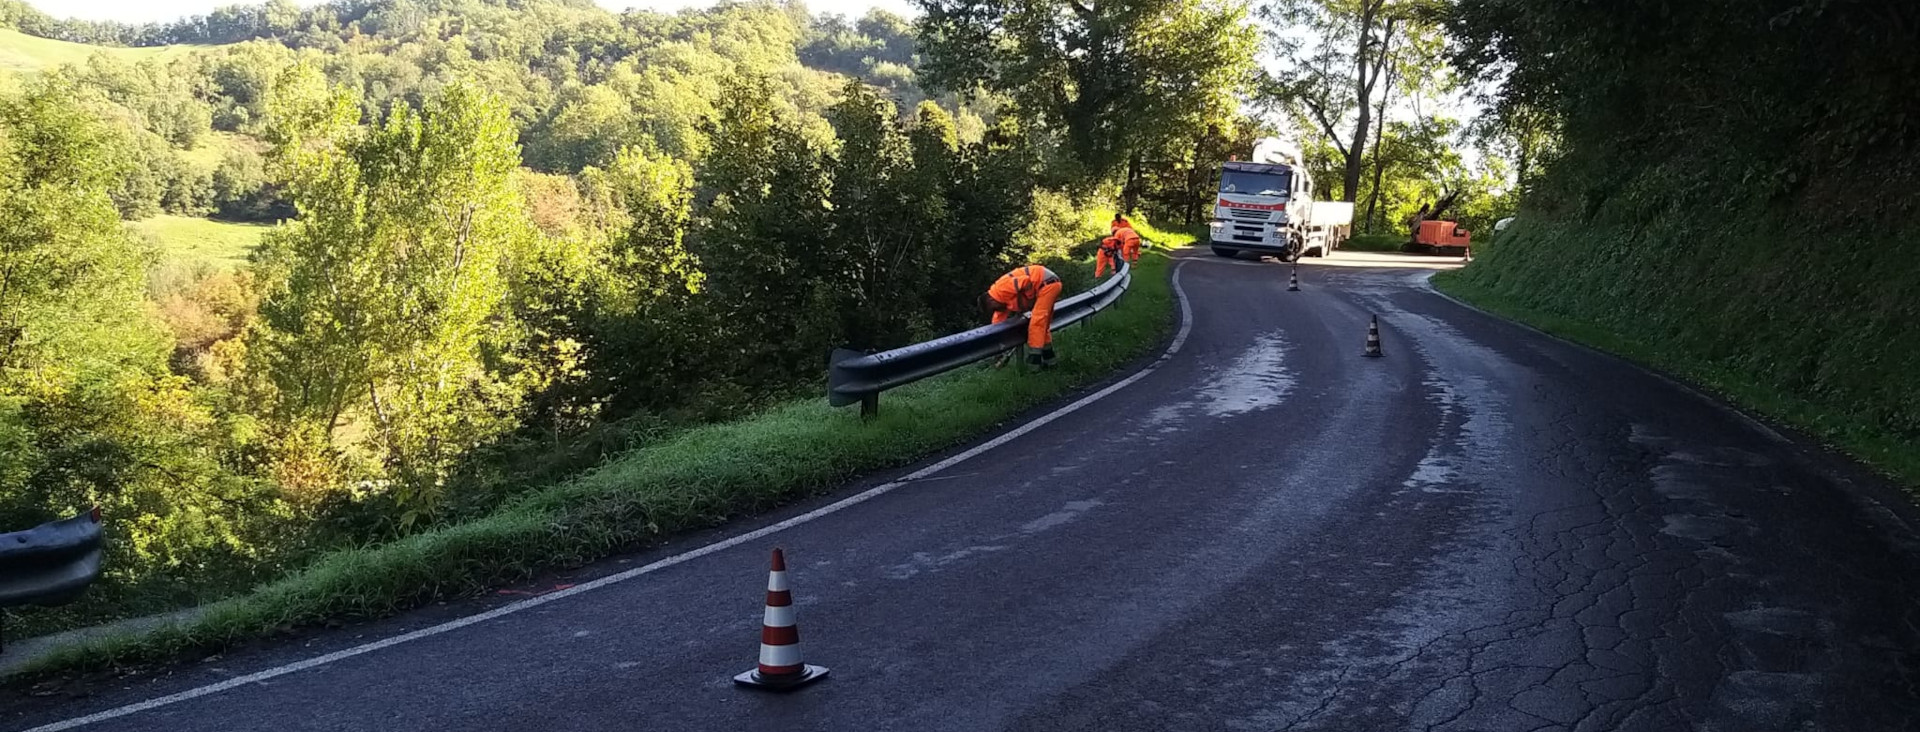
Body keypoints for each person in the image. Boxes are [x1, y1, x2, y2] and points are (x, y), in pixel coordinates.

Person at [982, 264, 1063, 368]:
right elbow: (997, 325)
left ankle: (1034, 362)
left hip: (1047, 284)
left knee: (1037, 322)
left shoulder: (1002, 289)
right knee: (1043, 326)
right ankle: (1050, 362)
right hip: (1048, 284)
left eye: (994, 308)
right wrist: (998, 350)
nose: (997, 310)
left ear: (991, 300)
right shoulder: (1000, 303)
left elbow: (1026, 281)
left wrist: (1029, 300)